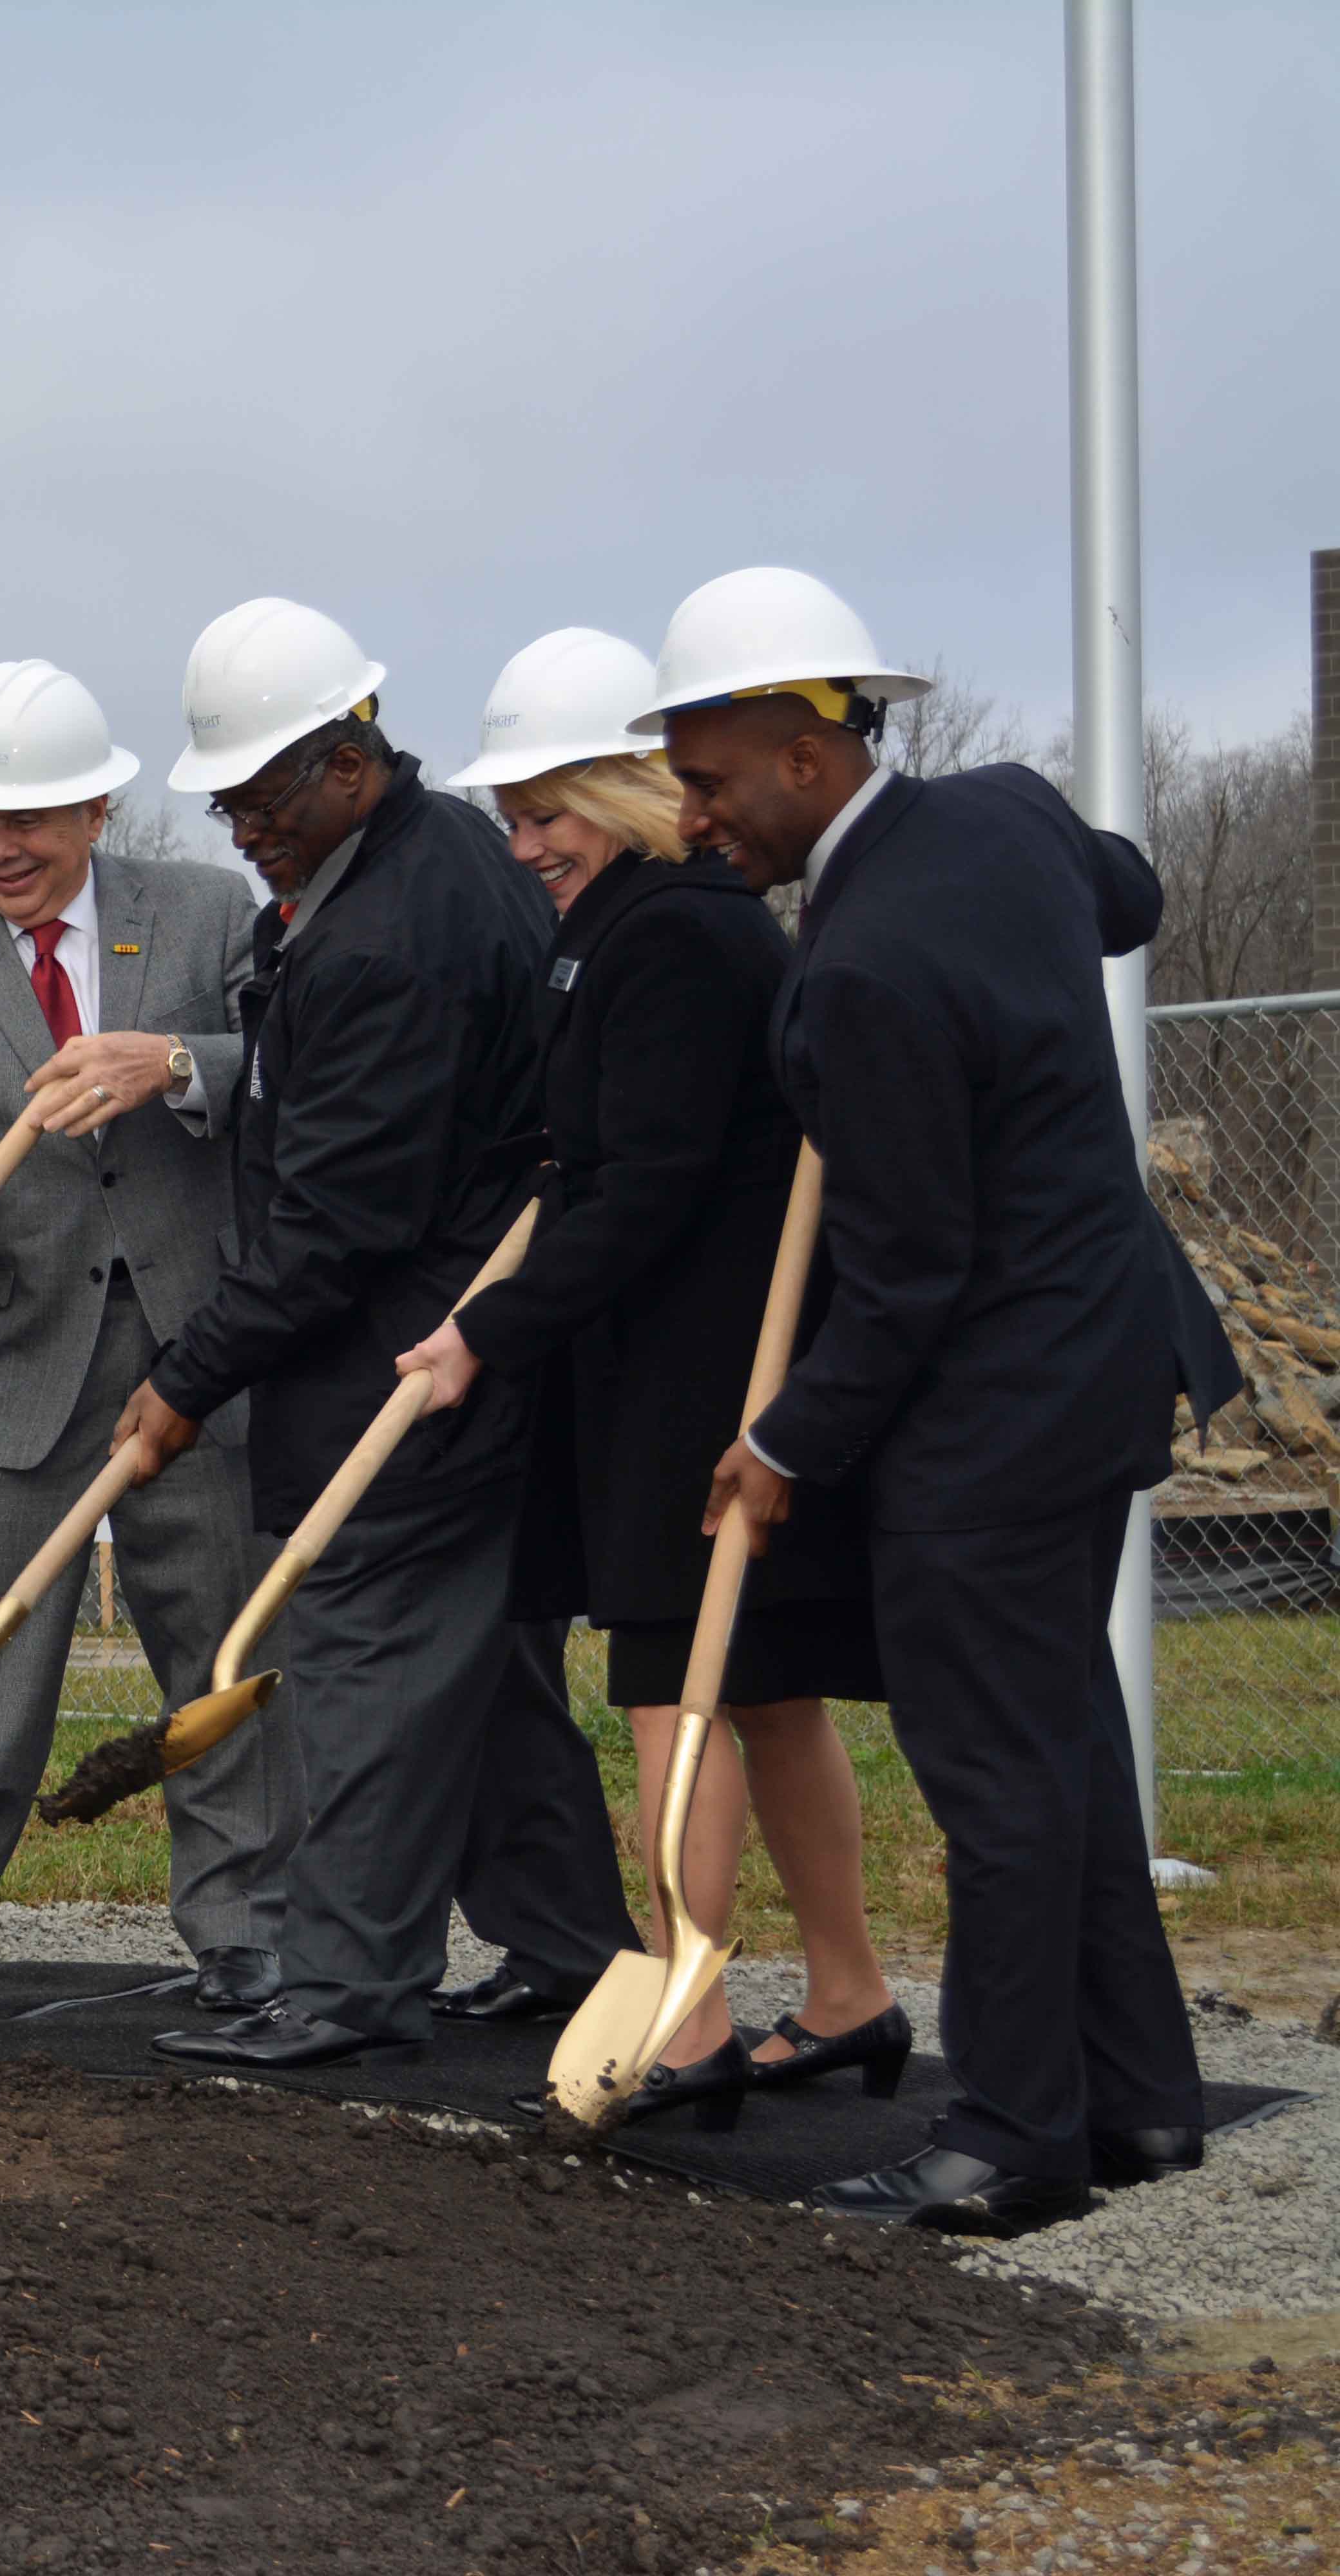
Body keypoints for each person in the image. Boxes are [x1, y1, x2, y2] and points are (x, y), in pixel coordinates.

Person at [660, 566, 1238, 2234]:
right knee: (1062, 1746)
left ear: (805, 759)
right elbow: (1125, 894)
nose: (694, 820)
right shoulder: (1000, 816)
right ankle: (1138, 2105)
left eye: (708, 783)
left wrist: (776, 1444)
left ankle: (1005, 2135)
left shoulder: (858, 975)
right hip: (1109, 1355)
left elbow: (906, 1279)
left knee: (996, 1779)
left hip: (995, 1415)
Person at [113, 598, 635, 2072]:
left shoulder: (393, 933)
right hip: (464, 1340)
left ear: (350, 758)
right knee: (493, 1673)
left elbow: (334, 1223)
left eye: (265, 798)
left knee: (360, 1665)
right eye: (227, 802)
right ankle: (566, 1945)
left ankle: (347, 1981)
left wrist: (181, 1380)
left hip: (408, 1363)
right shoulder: (426, 864)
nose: (245, 829)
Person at [394, 625, 899, 2116]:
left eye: (550, 810)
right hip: (699, 1346)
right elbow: (592, 1149)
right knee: (769, 1690)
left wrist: (492, 1327)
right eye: (512, 818)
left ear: (628, 786)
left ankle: (688, 2015)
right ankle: (852, 1991)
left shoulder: (674, 931)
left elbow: (653, 1179)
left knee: (681, 1689)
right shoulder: (640, 924)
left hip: (694, 1365)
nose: (529, 841)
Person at [0, 659, 298, 2023]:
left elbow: (290, 1063)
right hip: (4, 1362)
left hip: (194, 1345)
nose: (1, 850)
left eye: (31, 820)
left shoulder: (214, 914)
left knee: (216, 1650)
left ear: (99, 809)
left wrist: (174, 1062)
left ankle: (241, 1925)